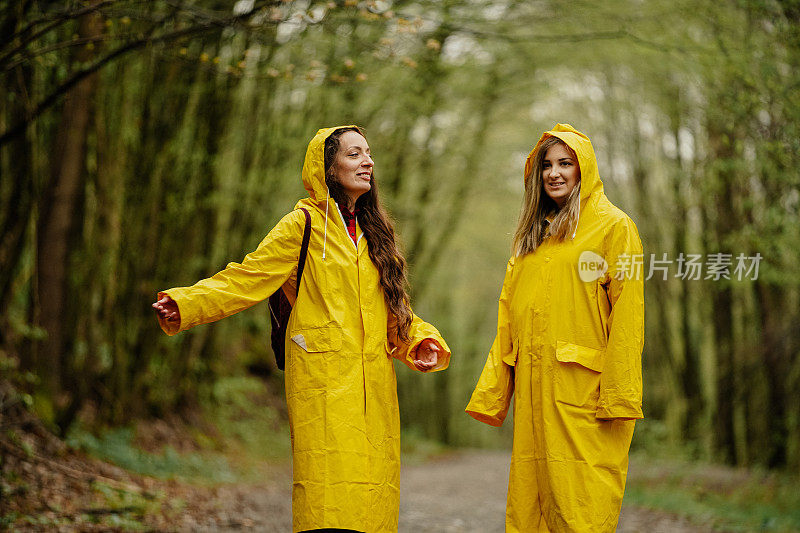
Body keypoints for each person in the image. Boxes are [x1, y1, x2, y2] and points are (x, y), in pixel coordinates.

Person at [153, 125, 450, 533]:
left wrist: (421, 339)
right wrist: (187, 303)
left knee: (375, 497)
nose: (368, 162)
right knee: (326, 499)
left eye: (368, 154)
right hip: (323, 385)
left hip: (375, 388)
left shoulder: (376, 232)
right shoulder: (302, 225)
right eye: (354, 154)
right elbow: (247, 276)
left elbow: (394, 313)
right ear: (327, 167)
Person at [466, 123, 644, 532]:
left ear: (585, 170)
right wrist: (496, 392)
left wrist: (619, 396)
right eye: (546, 165)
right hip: (535, 394)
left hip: (586, 396)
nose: (554, 173)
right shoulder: (531, 240)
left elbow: (630, 316)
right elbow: (507, 317)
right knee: (531, 506)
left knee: (581, 506)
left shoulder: (615, 227)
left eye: (566, 163)